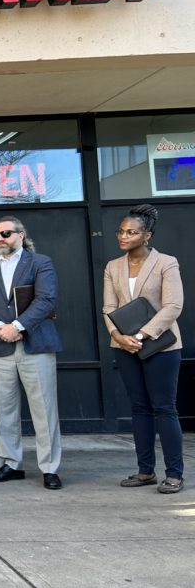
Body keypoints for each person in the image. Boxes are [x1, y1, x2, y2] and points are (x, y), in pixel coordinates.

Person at [0, 216, 64, 490]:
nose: (0, 239)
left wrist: (18, 326)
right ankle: (11, 464)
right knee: (5, 409)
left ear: (20, 235)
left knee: (44, 410)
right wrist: (1, 327)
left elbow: (46, 299)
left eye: (6, 233)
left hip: (36, 344)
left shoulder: (40, 262)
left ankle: (49, 468)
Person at [102, 204, 184, 494]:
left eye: (131, 232)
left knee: (165, 409)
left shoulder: (166, 262)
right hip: (124, 346)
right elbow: (108, 307)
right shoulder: (113, 266)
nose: (124, 236)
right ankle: (144, 471)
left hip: (160, 345)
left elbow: (173, 305)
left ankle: (174, 474)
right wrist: (118, 335)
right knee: (139, 408)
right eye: (121, 231)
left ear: (146, 235)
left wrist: (140, 333)